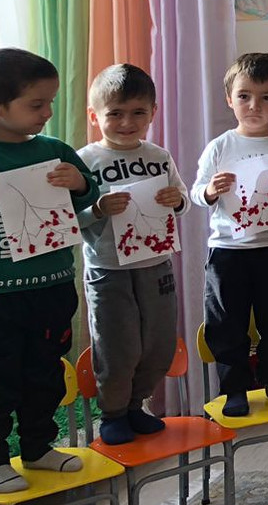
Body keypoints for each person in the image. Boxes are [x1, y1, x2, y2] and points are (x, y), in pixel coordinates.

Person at [192, 53, 268, 416]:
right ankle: (234, 390)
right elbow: (196, 192)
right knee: (226, 323)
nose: (254, 105)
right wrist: (210, 191)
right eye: (244, 96)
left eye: (266, 97)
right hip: (228, 249)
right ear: (229, 99)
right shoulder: (220, 146)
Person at [0, 48, 100, 494]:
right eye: (36, 104)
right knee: (3, 378)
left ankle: (38, 447)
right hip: (4, 295)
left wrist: (78, 182)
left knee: (44, 373)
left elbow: (89, 192)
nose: (47, 113)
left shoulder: (54, 151)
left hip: (53, 287)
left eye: (51, 102)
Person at [76, 64, 188, 444]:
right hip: (108, 268)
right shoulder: (84, 161)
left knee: (158, 342)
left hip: (156, 263)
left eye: (138, 112)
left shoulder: (159, 156)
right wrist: (97, 210)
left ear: (153, 113)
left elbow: (182, 201)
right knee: (117, 344)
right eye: (115, 113)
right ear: (95, 116)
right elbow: (69, 220)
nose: (127, 122)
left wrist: (176, 201)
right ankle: (113, 413)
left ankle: (136, 405)